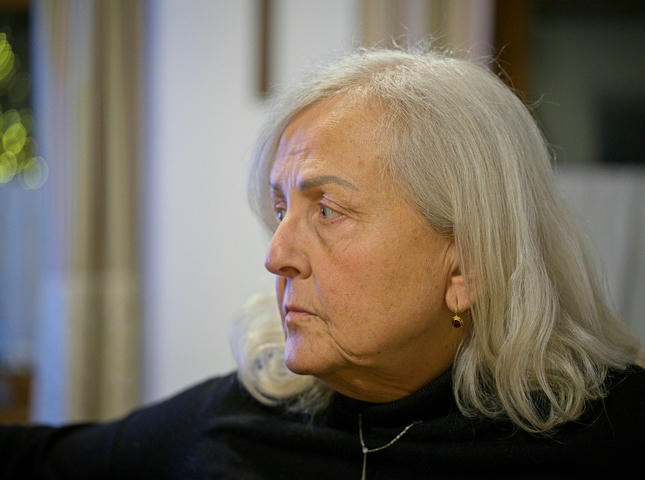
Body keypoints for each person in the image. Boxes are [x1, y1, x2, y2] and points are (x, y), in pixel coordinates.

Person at [2, 47, 644, 479]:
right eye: (281, 209)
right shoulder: (240, 419)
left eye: (328, 210)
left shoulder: (612, 435)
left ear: (466, 265)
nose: (276, 255)